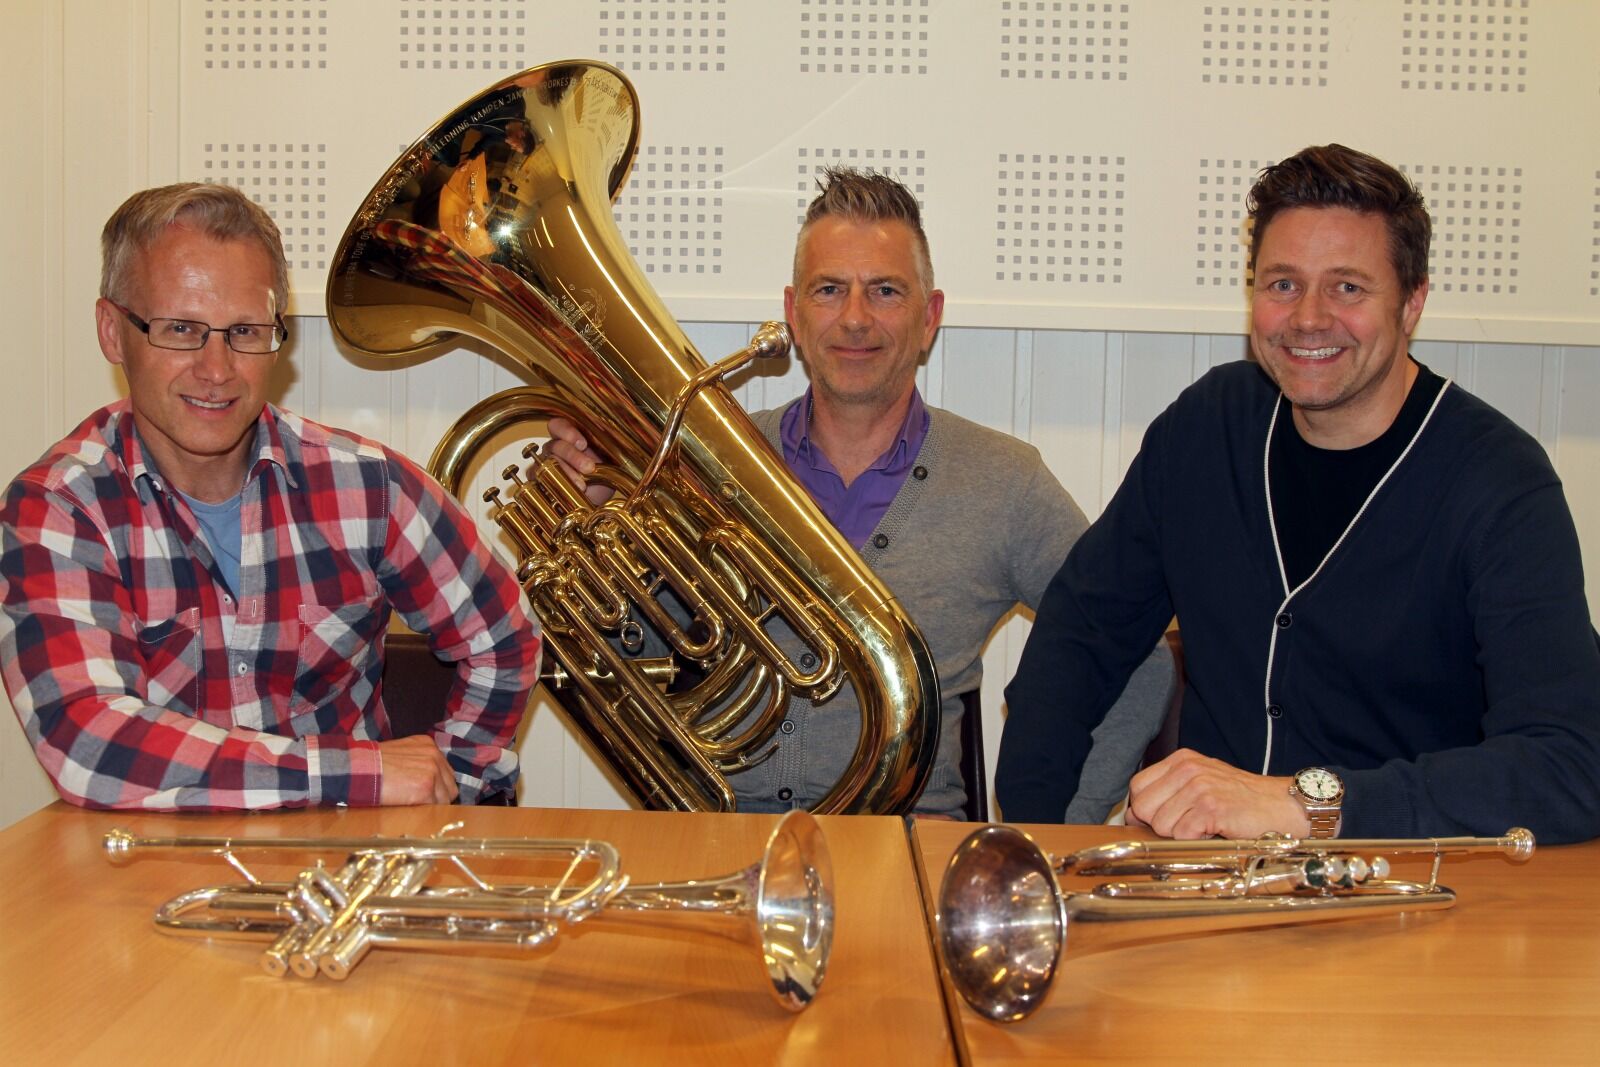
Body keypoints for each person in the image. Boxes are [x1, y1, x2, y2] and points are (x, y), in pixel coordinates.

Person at [998, 144, 1600, 844]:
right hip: (1213, 883)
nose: (1309, 318)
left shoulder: (1499, 482)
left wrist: (1304, 805)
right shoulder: (1207, 428)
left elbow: (1571, 763)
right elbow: (1078, 639)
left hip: (1412, 883)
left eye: (1348, 288)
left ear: (1412, 303)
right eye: (1283, 284)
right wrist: (1034, 844)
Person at [550, 168, 1172, 819]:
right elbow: (642, 664)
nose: (854, 318)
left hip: (911, 848)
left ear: (930, 317)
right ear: (793, 313)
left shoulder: (1005, 482)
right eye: (829, 290)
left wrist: (1059, 826)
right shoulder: (705, 463)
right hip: (722, 840)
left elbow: (1136, 654)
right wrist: (602, 537)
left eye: (885, 291)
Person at [0, 183, 541, 811]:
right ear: (113, 332)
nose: (217, 369)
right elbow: (89, 742)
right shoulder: (58, 509)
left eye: (245, 331)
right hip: (151, 859)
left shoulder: (369, 486)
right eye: (181, 328)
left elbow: (503, 637)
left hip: (350, 858)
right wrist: (356, 774)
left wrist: (451, 785)